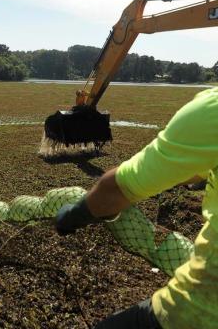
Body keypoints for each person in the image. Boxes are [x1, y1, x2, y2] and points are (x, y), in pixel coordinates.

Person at [56, 87, 218, 329]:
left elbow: (117, 189)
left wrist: (74, 214)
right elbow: (195, 169)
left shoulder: (211, 111)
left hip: (197, 314)